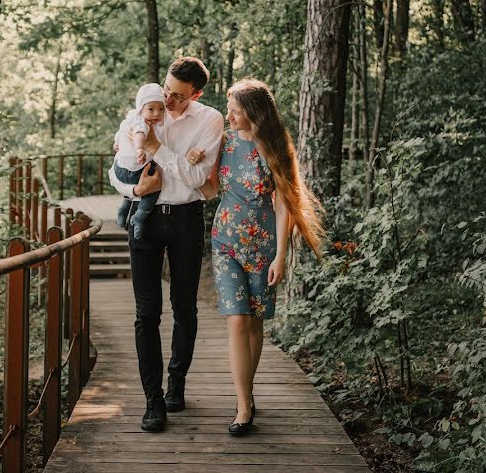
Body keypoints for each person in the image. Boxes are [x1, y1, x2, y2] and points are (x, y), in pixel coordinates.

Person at [198, 78, 324, 436]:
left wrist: (281, 256)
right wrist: (183, 166)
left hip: (263, 245)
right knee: (237, 320)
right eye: (229, 108)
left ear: (252, 112)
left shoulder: (274, 146)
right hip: (224, 240)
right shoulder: (223, 140)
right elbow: (208, 187)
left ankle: (247, 394)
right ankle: (243, 405)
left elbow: (284, 205)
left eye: (234, 109)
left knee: (255, 323)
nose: (229, 114)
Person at [108, 57, 224, 432]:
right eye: (166, 89)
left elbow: (196, 178)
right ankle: (152, 400)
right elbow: (117, 169)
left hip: (187, 221)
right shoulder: (143, 110)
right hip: (147, 218)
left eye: (176, 96)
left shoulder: (210, 120)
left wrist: (158, 147)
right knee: (147, 313)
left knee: (184, 307)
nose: (167, 100)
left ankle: (176, 383)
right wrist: (134, 189)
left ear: (196, 94)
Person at [113, 83, 166, 240]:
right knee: (155, 184)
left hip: (119, 168)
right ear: (141, 109)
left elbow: (118, 138)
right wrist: (139, 149)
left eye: (161, 109)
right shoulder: (142, 123)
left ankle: (124, 207)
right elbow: (139, 134)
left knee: (140, 183)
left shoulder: (127, 120)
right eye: (151, 109)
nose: (156, 113)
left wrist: (117, 144)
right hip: (135, 171)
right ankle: (139, 216)